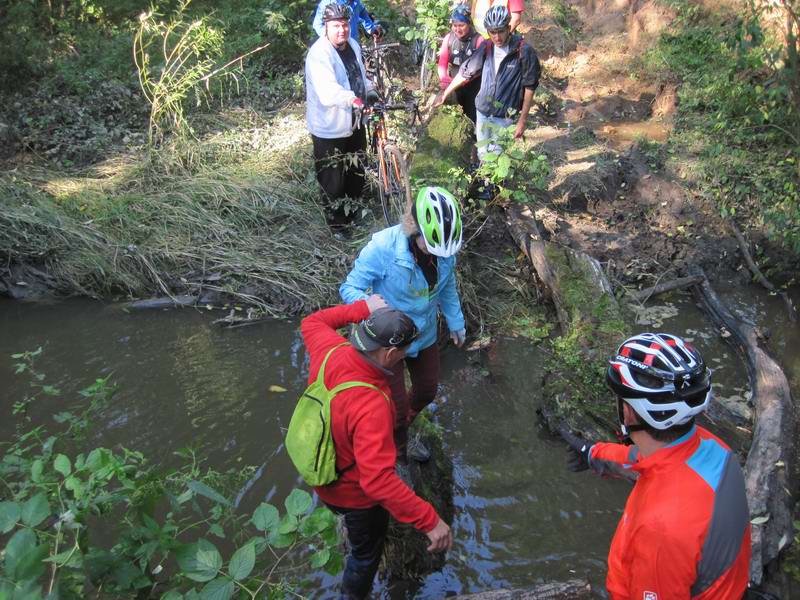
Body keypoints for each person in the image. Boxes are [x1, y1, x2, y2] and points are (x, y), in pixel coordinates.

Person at [562, 333, 751, 600]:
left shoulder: (660, 531)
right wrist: (593, 453)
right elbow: (644, 460)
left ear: (628, 412)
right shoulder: (717, 450)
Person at [300, 299, 453, 599]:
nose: (407, 356)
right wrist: (431, 521)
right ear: (391, 353)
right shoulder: (372, 406)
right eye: (406, 350)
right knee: (365, 554)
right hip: (351, 494)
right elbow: (377, 481)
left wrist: (363, 307)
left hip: (320, 466)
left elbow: (312, 322)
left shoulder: (330, 350)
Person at [340, 187, 466, 472]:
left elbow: (447, 288)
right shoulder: (383, 247)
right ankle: (397, 454)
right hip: (389, 342)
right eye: (429, 247)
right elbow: (350, 287)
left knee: (426, 391)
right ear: (413, 229)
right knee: (392, 408)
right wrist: (367, 305)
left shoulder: (446, 253)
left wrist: (455, 322)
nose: (436, 255)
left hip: (424, 334)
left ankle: (400, 429)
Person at [433, 5, 541, 162]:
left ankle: (494, 184)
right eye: (492, 32)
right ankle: (483, 182)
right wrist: (445, 93)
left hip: (504, 116)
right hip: (482, 111)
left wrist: (522, 120)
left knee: (496, 159)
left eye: (500, 31)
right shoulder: (487, 46)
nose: (497, 37)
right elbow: (466, 72)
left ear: (508, 27)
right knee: (483, 153)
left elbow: (530, 86)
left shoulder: (523, 51)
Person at [305, 3, 378, 231]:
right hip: (330, 128)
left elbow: (360, 77)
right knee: (332, 180)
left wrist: (371, 93)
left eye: (345, 25)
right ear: (325, 27)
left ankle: (354, 213)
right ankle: (337, 225)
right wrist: (355, 101)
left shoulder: (354, 45)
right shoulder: (319, 54)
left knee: (356, 171)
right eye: (336, 25)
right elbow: (328, 93)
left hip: (355, 122)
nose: (342, 30)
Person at [437, 4, 482, 126]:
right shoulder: (449, 38)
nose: (457, 29)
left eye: (461, 25)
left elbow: (478, 70)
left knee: (473, 117)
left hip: (473, 86)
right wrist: (444, 79)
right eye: (455, 26)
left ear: (469, 24)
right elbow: (442, 62)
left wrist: (457, 82)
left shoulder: (478, 40)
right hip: (453, 84)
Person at [312, 0, 384, 41]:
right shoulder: (328, 3)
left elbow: (363, 12)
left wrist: (371, 29)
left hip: (353, 43)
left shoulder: (356, 2)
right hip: (335, 48)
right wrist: (329, 39)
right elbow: (317, 24)